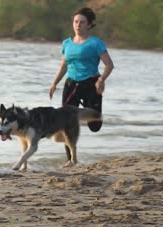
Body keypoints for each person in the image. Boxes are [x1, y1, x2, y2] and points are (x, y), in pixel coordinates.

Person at [49, 7, 114, 164]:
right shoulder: (67, 43)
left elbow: (109, 65)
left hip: (91, 84)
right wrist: (54, 83)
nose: (78, 24)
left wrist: (101, 80)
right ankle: (71, 160)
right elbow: (64, 65)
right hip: (71, 85)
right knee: (64, 121)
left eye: (82, 22)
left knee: (95, 125)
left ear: (89, 25)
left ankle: (83, 112)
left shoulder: (95, 43)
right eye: (75, 21)